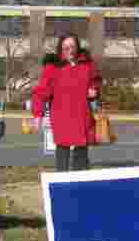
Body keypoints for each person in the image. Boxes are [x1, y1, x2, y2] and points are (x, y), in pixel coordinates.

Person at [31, 33, 101, 171]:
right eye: (66, 48)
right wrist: (38, 115)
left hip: (82, 115)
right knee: (62, 149)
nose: (70, 50)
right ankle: (61, 181)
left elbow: (96, 81)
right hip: (62, 116)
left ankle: (80, 183)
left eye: (73, 47)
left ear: (77, 47)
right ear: (60, 49)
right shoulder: (53, 68)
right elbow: (40, 92)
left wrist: (94, 90)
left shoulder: (87, 65)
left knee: (81, 151)